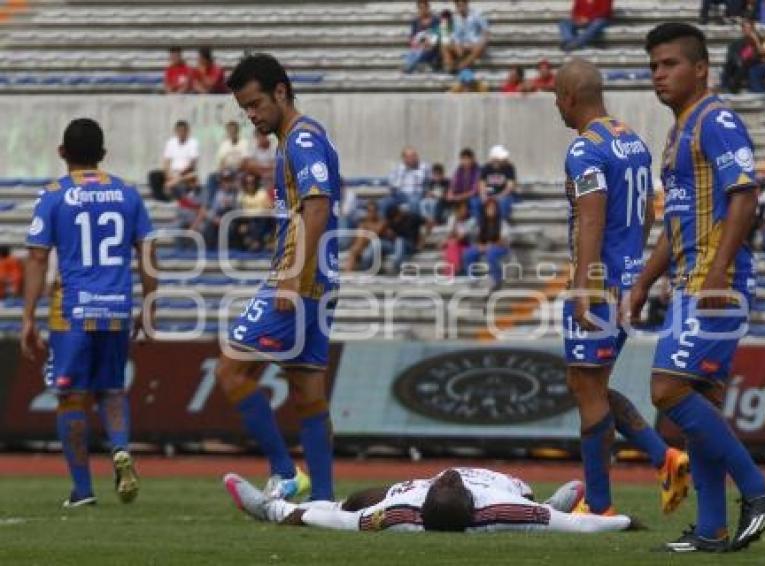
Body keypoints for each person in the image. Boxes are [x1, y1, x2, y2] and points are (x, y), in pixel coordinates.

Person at [635, 23, 765, 552]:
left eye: (670, 63)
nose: (659, 74)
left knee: (667, 390)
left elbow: (745, 194)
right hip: (690, 278)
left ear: (700, 68)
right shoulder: (678, 132)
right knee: (695, 398)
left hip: (715, 280)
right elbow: (674, 224)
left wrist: (720, 271)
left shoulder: (716, 120)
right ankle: (710, 529)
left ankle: (759, 489)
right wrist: (641, 284)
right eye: (654, 65)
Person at [555, 58, 689, 519]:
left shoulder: (584, 150)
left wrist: (584, 285)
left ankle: (600, 504)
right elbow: (651, 212)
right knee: (589, 382)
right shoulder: (631, 140)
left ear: (570, 98)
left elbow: (590, 217)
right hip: (627, 279)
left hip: (602, 282)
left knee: (587, 392)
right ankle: (664, 458)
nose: (557, 105)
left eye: (557, 97)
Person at [217, 53, 341, 502]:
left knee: (230, 370)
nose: (251, 116)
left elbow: (318, 206)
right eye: (245, 108)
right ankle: (324, 500)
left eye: (255, 104)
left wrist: (289, 277)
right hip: (320, 281)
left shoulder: (302, 139)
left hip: (298, 281)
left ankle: (285, 473)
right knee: (308, 393)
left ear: (281, 92)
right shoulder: (297, 140)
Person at [21, 118, 157, 507]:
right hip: (116, 307)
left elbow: (35, 257)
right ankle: (119, 449)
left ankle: (82, 490)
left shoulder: (53, 195)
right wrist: (149, 306)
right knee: (111, 390)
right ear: (103, 155)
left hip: (72, 311)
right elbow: (148, 253)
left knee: (71, 397)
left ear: (62, 152)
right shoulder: (128, 194)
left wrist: (28, 317)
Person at [224, 467, 638, 533]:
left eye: (445, 483)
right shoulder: (499, 505)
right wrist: (623, 522)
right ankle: (554, 499)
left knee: (347, 505)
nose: (449, 475)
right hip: (521, 492)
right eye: (451, 483)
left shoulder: (403, 509)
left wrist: (280, 513)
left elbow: (341, 523)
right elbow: (580, 526)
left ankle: (270, 503)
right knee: (551, 506)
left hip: (401, 494)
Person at [463, 198, 510, 289]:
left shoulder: (502, 222)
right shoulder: (481, 223)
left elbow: (503, 240)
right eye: (489, 208)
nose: (491, 210)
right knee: (469, 253)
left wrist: (491, 245)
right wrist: (480, 246)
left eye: (493, 208)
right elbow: (477, 239)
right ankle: (473, 277)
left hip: (500, 247)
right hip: (485, 246)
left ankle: (496, 279)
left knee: (491, 254)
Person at [207, 121, 250, 208]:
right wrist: (223, 170)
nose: (232, 133)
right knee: (212, 177)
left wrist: (235, 167)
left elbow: (245, 160)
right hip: (227, 169)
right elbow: (221, 162)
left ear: (237, 131)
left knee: (240, 176)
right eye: (230, 131)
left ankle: (238, 203)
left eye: (233, 131)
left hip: (239, 169)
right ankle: (210, 204)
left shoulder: (244, 143)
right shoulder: (224, 145)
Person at [382, 146, 430, 219]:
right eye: (410, 156)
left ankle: (413, 225)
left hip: (416, 193)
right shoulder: (398, 168)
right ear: (404, 158)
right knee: (385, 202)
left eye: (414, 155)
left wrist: (427, 191)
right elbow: (391, 183)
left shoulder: (424, 167)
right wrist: (403, 173)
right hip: (399, 194)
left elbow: (429, 182)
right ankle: (383, 225)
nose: (413, 158)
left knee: (413, 201)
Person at [441, 0, 489, 73]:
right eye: (458, 6)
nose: (460, 8)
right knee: (444, 45)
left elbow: (486, 31)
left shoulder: (476, 14)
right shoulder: (456, 18)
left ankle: (461, 66)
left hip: (474, 43)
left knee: (480, 46)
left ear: (466, 4)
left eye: (461, 5)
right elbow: (455, 35)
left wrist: (480, 42)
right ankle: (450, 66)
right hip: (462, 44)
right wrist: (457, 44)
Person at [721, 19, 765, 94]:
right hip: (738, 63)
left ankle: (732, 88)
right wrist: (738, 60)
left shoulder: (760, 40)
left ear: (753, 29)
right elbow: (730, 55)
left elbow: (762, 54)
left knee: (743, 65)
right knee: (729, 63)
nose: (748, 30)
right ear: (743, 30)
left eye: (750, 28)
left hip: (752, 63)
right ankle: (724, 87)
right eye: (746, 28)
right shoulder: (736, 42)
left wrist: (756, 40)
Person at [160, 120, 200, 202]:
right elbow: (166, 161)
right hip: (173, 173)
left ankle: (173, 191)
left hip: (186, 173)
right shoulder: (171, 142)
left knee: (185, 179)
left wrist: (178, 175)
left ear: (187, 131)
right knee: (154, 175)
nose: (181, 133)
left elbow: (192, 164)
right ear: (176, 131)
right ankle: (167, 194)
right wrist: (168, 175)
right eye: (179, 131)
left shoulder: (193, 143)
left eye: (183, 131)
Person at [236, 171, 273, 252]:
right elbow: (239, 211)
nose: (250, 184)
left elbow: (269, 207)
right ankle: (255, 243)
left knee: (260, 220)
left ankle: (257, 242)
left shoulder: (262, 193)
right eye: (247, 182)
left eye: (252, 182)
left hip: (262, 219)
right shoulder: (241, 195)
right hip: (247, 220)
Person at [203, 168, 240, 249]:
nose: (227, 183)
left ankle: (229, 251)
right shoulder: (213, 193)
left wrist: (231, 204)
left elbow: (239, 209)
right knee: (207, 228)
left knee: (231, 228)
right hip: (216, 218)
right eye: (224, 180)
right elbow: (207, 210)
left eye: (229, 180)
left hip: (230, 218)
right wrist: (214, 218)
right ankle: (210, 252)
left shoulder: (236, 193)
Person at [344, 201, 386, 272]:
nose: (371, 213)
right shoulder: (363, 222)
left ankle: (350, 271)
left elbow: (375, 234)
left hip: (377, 246)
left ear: (377, 211)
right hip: (363, 246)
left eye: (373, 211)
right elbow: (359, 236)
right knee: (355, 249)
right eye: (369, 211)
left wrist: (366, 227)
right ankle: (348, 273)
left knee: (359, 249)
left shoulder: (381, 221)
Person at [478, 145, 517, 221]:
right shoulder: (485, 168)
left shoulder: (509, 167)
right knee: (476, 202)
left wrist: (500, 196)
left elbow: (510, 186)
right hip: (489, 193)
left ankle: (503, 222)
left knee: (504, 202)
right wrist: (483, 195)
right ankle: (477, 222)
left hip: (505, 194)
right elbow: (482, 183)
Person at [404, 0, 440, 73]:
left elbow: (438, 35)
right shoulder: (415, 21)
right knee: (414, 52)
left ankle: (412, 66)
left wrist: (430, 43)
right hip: (419, 46)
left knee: (427, 50)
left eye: (424, 8)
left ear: (428, 7)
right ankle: (414, 65)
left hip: (431, 47)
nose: (423, 10)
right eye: (420, 8)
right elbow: (412, 37)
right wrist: (416, 44)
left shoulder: (435, 20)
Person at [443, 200, 477, 275]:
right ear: (457, 210)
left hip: (469, 244)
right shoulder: (452, 218)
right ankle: (453, 270)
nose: (465, 211)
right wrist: (455, 221)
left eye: (466, 209)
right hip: (457, 244)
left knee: (452, 245)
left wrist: (451, 239)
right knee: (451, 245)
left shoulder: (472, 221)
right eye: (462, 209)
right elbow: (449, 234)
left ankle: (453, 270)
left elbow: (462, 236)